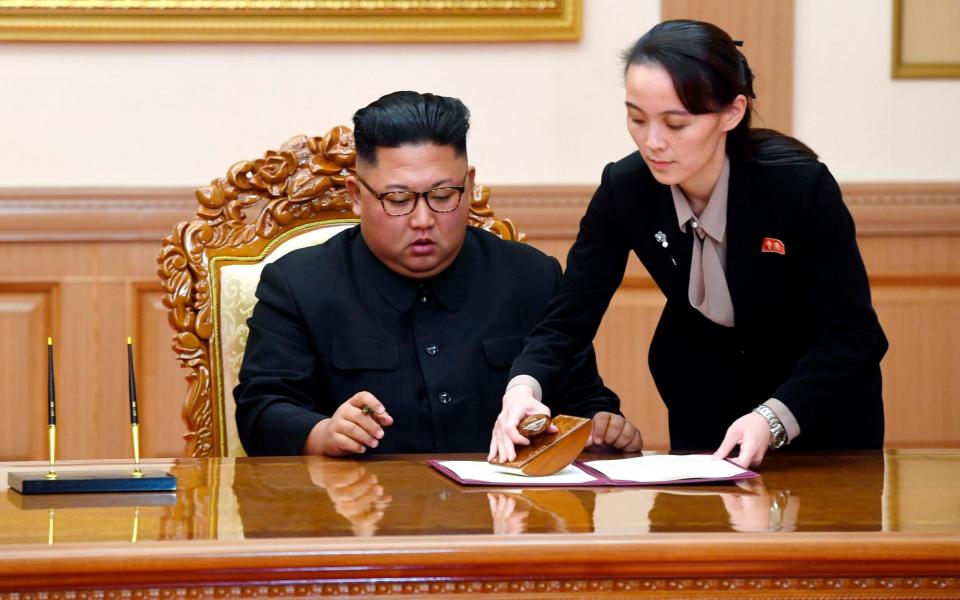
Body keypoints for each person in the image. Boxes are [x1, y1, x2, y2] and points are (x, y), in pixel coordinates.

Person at [489, 20, 887, 468]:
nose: (652, 142)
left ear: (732, 114)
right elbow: (568, 318)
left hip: (818, 407)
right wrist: (523, 389)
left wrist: (772, 419)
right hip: (704, 398)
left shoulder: (798, 188)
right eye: (637, 119)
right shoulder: (625, 189)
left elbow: (853, 333)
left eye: (676, 123)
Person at [234, 91, 642, 457]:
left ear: (469, 185)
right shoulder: (299, 284)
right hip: (361, 521)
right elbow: (260, 411)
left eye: (443, 196)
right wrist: (323, 432)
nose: (423, 219)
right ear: (356, 196)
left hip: (504, 520)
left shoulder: (531, 276)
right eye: (398, 199)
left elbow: (584, 399)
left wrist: (604, 423)